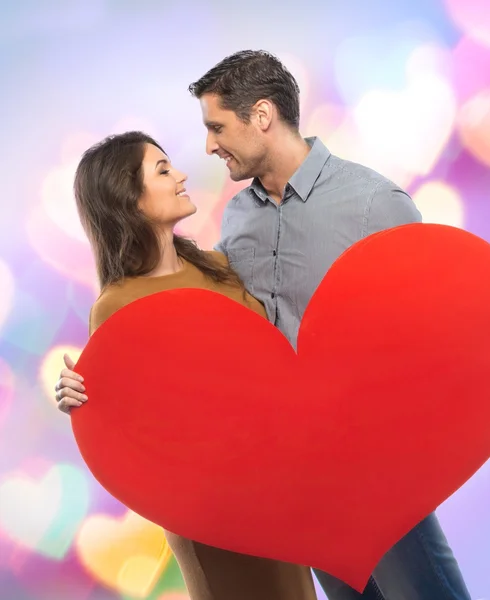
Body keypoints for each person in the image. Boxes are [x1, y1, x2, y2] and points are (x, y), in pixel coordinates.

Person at [55, 51, 490, 600]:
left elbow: (441, 311)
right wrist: (87, 390)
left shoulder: (373, 204)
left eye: (217, 127)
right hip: (293, 492)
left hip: (375, 466)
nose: (207, 147)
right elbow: (181, 365)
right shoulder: (235, 230)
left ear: (263, 116)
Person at [59, 130, 318, 600]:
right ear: (128, 198)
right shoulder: (117, 306)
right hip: (207, 507)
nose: (179, 175)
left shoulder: (217, 266)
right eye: (162, 170)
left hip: (275, 490)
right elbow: (132, 421)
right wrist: (78, 395)